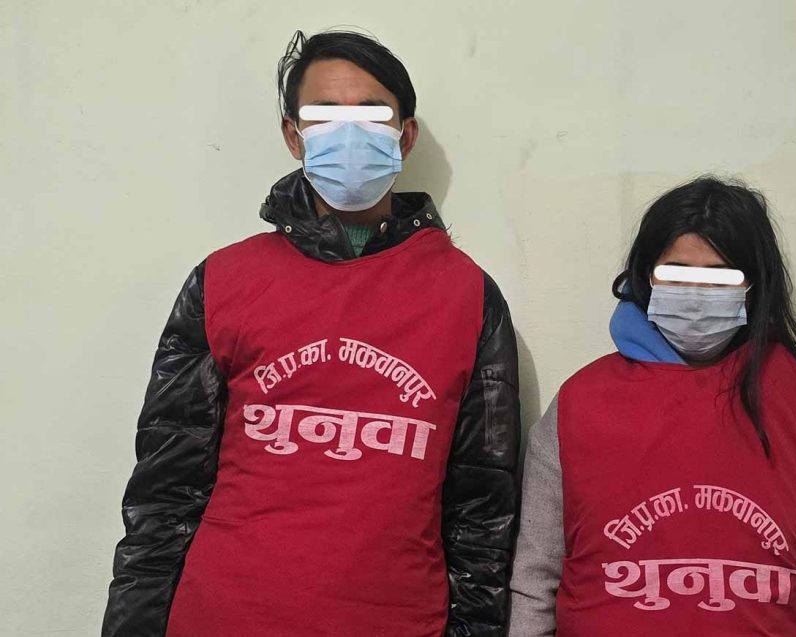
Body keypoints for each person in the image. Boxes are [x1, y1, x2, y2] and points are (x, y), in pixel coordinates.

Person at [102, 30, 520, 637]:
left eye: (372, 115)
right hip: (221, 616)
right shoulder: (224, 280)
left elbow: (483, 511)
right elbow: (165, 491)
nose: (348, 135)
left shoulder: (469, 296)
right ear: (293, 136)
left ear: (405, 136)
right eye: (323, 116)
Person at [509, 177, 796, 636]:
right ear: (646, 276)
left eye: (720, 276)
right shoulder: (580, 404)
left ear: (754, 284)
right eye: (675, 273)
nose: (695, 293)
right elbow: (534, 580)